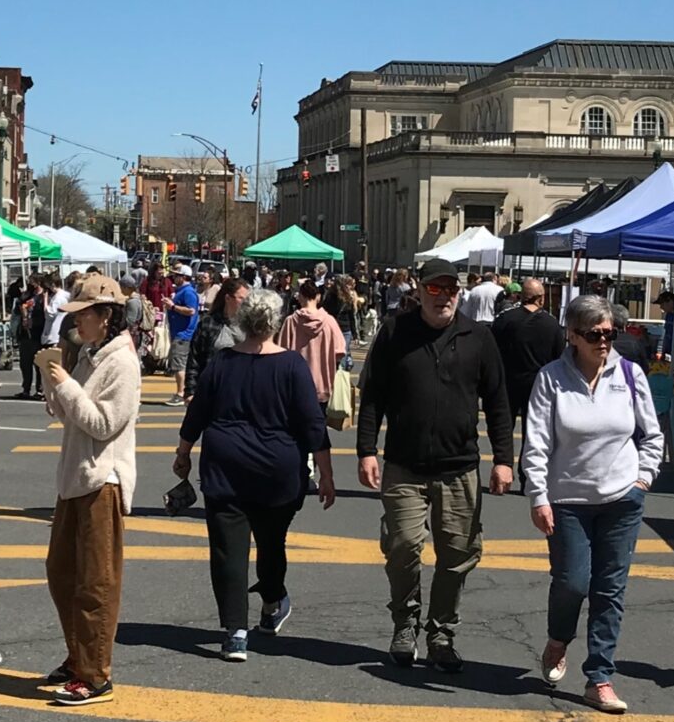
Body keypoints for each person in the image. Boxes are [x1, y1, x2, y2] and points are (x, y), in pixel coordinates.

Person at [356, 262, 513, 671]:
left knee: (457, 554)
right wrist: (366, 450)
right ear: (420, 291)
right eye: (434, 289)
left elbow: (498, 402)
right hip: (404, 465)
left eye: (450, 289)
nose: (443, 296)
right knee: (404, 545)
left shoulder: (478, 337)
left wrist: (503, 460)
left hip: (459, 467)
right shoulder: (395, 331)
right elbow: (372, 394)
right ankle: (405, 622)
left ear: (459, 294)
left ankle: (441, 634)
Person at [522, 293, 663, 714]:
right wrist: (539, 496)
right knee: (572, 582)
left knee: (610, 590)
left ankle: (599, 677)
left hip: (622, 498)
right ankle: (558, 639)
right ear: (573, 335)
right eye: (594, 334)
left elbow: (651, 435)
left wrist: (643, 479)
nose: (604, 341)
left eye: (610, 333)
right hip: (567, 499)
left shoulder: (631, 374)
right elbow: (537, 442)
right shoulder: (551, 378)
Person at [177, 287, 334, 660]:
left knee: (228, 551)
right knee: (271, 541)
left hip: (225, 465)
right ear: (276, 323)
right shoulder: (293, 365)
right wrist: (325, 473)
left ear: (242, 320)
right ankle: (272, 600)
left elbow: (197, 412)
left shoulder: (222, 362)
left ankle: (235, 632)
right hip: (278, 470)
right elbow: (313, 423)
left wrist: (183, 453)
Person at [40, 272, 142, 706]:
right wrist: (51, 377)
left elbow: (103, 423)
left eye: (83, 315)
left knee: (96, 582)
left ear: (107, 316)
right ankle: (79, 656)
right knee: (62, 572)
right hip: (75, 480)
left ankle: (95, 672)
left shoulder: (122, 361)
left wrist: (63, 381)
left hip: (103, 479)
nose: (75, 322)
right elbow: (63, 413)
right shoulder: (89, 353)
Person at [491, 279, 563, 484]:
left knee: (503, 428)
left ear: (521, 296)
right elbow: (559, 358)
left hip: (507, 382)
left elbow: (491, 352)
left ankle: (501, 469)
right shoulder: (552, 324)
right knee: (533, 433)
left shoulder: (504, 320)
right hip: (539, 384)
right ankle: (527, 477)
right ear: (541, 298)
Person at [275, 276, 349, 412]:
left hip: (295, 386)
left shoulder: (291, 322)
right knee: (318, 428)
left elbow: (281, 353)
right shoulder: (329, 321)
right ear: (318, 297)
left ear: (300, 297)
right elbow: (340, 352)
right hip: (322, 386)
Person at [165, 265, 201, 404]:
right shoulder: (181, 291)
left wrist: (173, 306)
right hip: (179, 332)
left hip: (184, 334)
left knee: (179, 365)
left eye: (177, 275)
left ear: (183, 277)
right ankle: (182, 392)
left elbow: (191, 311)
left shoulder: (188, 292)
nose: (174, 278)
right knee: (179, 363)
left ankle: (181, 393)